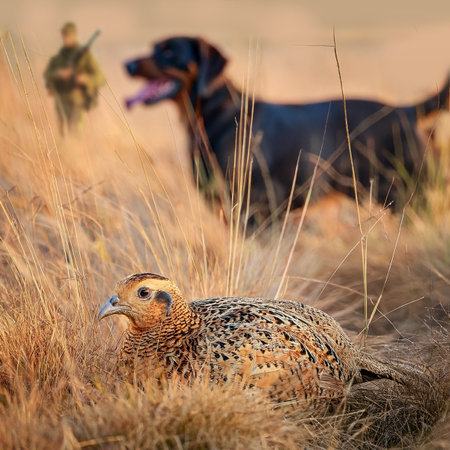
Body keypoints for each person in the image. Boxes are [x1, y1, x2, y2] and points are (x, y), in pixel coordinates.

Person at [44, 22, 105, 136]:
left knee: (76, 132)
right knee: (61, 133)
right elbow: (47, 74)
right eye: (64, 35)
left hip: (78, 98)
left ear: (75, 35)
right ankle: (63, 153)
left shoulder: (85, 56)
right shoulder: (58, 58)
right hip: (61, 99)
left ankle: (75, 152)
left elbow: (101, 77)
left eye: (69, 35)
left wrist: (86, 79)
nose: (66, 38)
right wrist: (59, 74)